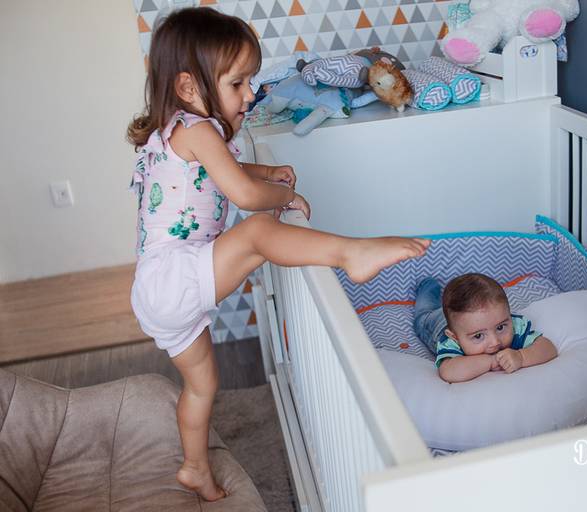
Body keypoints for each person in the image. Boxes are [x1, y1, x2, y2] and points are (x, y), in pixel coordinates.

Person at [127, 8, 429, 501]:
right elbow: (243, 198)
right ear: (187, 88)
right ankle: (349, 254)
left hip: (158, 290)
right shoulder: (198, 131)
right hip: (173, 278)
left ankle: (194, 468)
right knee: (258, 233)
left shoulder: (176, 133)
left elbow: (230, 176)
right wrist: (283, 197)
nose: (250, 93)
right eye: (239, 83)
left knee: (202, 388)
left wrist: (270, 174)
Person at [413, 273, 557, 383]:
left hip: (462, 321)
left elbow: (548, 347)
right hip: (433, 324)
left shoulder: (514, 325)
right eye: (478, 336)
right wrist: (492, 361)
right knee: (425, 308)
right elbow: (448, 371)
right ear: (455, 337)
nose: (495, 342)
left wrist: (521, 357)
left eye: (500, 327)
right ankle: (427, 284)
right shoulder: (450, 341)